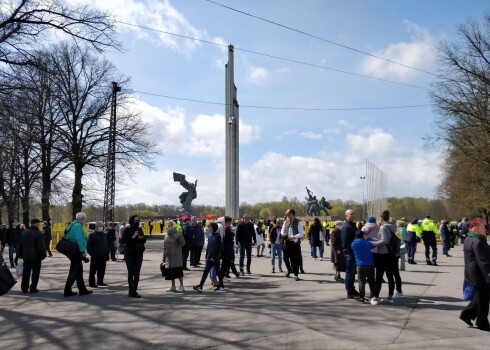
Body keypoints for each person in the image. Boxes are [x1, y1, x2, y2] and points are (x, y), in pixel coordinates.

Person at [460, 217, 490, 332]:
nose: (485, 229)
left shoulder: (470, 237)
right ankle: (482, 322)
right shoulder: (477, 241)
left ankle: (466, 314)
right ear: (475, 228)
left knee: (482, 296)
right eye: (483, 227)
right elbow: (483, 262)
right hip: (479, 275)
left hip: (473, 273)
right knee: (483, 299)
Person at [369, 212, 398, 305]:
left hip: (383, 253)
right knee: (390, 275)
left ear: (381, 218)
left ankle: (376, 297)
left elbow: (384, 240)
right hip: (391, 253)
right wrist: (376, 240)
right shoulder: (393, 226)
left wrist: (373, 243)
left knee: (379, 276)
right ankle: (390, 297)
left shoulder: (383, 227)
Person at [64, 212, 92, 297]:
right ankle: (67, 290)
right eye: (85, 218)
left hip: (72, 250)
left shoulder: (72, 224)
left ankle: (82, 289)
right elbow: (79, 239)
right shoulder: (78, 226)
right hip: (76, 251)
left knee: (78, 271)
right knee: (74, 270)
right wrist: (83, 251)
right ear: (83, 219)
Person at [193, 221, 225, 292]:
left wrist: (213, 257)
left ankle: (221, 286)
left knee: (218, 272)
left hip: (215, 258)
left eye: (210, 227)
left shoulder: (217, 236)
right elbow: (208, 248)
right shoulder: (210, 236)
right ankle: (200, 286)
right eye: (209, 227)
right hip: (209, 258)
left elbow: (217, 248)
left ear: (213, 228)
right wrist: (206, 256)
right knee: (205, 271)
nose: (209, 229)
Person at [17, 218, 46, 293]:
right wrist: (43, 255)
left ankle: (24, 288)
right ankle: (33, 288)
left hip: (26, 256)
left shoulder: (24, 232)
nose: (40, 224)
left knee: (26, 272)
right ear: (37, 224)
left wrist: (19, 255)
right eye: (39, 223)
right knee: (35, 273)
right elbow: (41, 247)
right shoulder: (39, 233)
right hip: (36, 257)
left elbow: (20, 245)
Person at [122, 215, 146, 298]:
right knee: (131, 272)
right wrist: (133, 236)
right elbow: (124, 241)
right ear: (132, 221)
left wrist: (141, 238)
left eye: (138, 220)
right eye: (136, 220)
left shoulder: (139, 229)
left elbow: (144, 240)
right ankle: (130, 291)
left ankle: (134, 290)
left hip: (139, 254)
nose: (137, 222)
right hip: (129, 254)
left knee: (137, 273)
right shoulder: (127, 230)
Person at [351, 230, 375, 303]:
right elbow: (373, 244)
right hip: (369, 264)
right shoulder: (366, 243)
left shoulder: (353, 244)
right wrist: (367, 238)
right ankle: (373, 295)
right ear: (363, 236)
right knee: (371, 280)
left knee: (361, 281)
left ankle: (362, 297)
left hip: (359, 264)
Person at [341, 209, 360, 299]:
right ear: (347, 216)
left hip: (354, 252)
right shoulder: (346, 227)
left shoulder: (353, 225)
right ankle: (350, 291)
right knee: (350, 273)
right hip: (350, 252)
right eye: (351, 214)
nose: (353, 215)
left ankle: (352, 289)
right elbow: (345, 243)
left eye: (354, 213)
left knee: (352, 273)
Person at [281, 208, 304, 281]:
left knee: (295, 260)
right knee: (285, 258)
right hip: (287, 242)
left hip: (295, 243)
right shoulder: (286, 221)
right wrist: (283, 234)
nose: (287, 215)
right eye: (287, 214)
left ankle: (296, 275)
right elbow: (282, 229)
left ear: (292, 214)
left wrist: (294, 237)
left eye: (288, 214)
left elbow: (301, 233)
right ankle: (289, 269)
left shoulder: (298, 222)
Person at [162, 220, 185, 293]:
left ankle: (181, 286)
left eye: (170, 226)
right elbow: (164, 247)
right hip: (169, 257)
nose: (169, 227)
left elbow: (183, 244)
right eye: (168, 226)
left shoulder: (178, 234)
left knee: (179, 272)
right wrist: (163, 258)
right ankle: (173, 286)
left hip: (177, 257)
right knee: (171, 273)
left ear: (173, 226)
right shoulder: (166, 235)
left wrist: (179, 237)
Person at [87, 221, 109, 288]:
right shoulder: (92, 235)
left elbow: (106, 245)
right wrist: (92, 254)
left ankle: (100, 281)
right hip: (95, 256)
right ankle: (92, 283)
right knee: (93, 271)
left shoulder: (104, 235)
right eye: (100, 226)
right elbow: (88, 246)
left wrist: (107, 253)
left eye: (102, 226)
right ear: (96, 227)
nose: (101, 228)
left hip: (103, 255)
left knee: (102, 270)